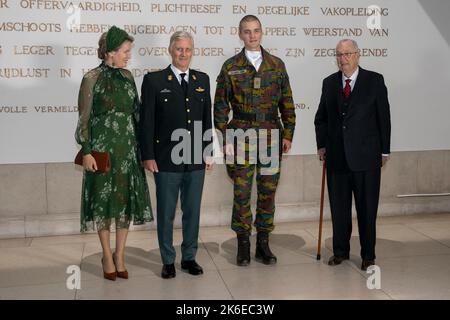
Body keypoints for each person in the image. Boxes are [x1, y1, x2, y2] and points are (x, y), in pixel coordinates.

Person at [214, 15, 296, 266]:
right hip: (240, 136)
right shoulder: (231, 66)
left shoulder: (276, 65)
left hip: (271, 135)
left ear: (262, 32)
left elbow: (288, 104)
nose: (252, 36)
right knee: (241, 193)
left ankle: (263, 243)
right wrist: (226, 135)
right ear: (240, 34)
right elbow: (219, 107)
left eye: (256, 31)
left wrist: (288, 134)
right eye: (247, 32)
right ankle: (243, 244)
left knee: (267, 192)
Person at [75, 26, 153, 281]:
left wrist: (144, 148)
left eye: (129, 52)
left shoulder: (128, 77)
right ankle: (107, 255)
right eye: (125, 51)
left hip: (128, 151)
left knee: (124, 205)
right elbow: (84, 119)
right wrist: (86, 152)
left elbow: (137, 114)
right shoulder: (91, 78)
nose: (128, 56)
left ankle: (120, 255)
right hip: (102, 153)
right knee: (103, 205)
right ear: (110, 52)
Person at [140, 31, 213, 279]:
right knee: (167, 212)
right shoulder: (154, 81)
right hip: (166, 158)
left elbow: (206, 120)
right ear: (171, 50)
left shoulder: (202, 79)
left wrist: (207, 151)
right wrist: (148, 155)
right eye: (179, 49)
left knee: (192, 211)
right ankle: (168, 259)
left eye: (188, 49)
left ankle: (189, 257)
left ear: (193, 51)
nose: (183, 53)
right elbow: (147, 121)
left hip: (194, 157)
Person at [314, 39, 391, 271]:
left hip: (366, 157)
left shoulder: (374, 81)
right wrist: (321, 145)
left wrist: (384, 150)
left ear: (358, 55)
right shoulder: (329, 83)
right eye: (339, 54)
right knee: (339, 209)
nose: (343, 58)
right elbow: (321, 118)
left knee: (367, 210)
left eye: (347, 53)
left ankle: (368, 255)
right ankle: (340, 251)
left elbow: (383, 118)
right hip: (336, 157)